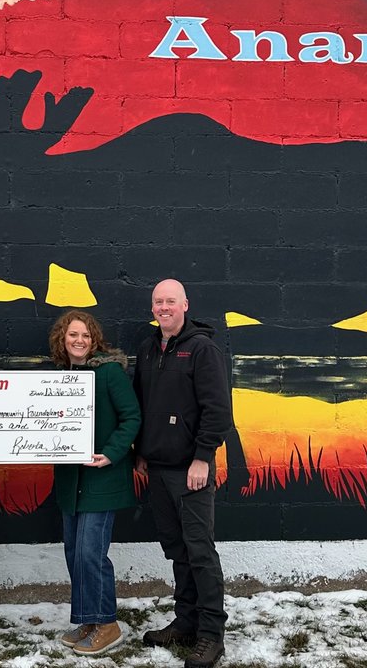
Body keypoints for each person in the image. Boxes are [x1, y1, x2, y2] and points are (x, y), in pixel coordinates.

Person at [133, 279, 232, 668]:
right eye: (158, 302)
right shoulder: (147, 349)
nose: (163, 308)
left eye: (170, 301)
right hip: (157, 469)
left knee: (200, 551)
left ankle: (211, 634)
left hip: (191, 470)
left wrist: (202, 457)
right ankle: (186, 621)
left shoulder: (203, 349)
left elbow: (218, 410)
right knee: (177, 551)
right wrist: (141, 451)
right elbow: (142, 404)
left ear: (185, 305)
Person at [49, 310, 141, 657]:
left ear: (94, 340)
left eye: (85, 336)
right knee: (75, 552)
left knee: (91, 552)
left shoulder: (109, 373)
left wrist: (111, 453)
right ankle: (88, 620)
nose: (79, 341)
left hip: (102, 476)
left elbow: (132, 416)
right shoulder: (59, 377)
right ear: (63, 339)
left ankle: (108, 623)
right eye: (73, 335)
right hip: (71, 481)